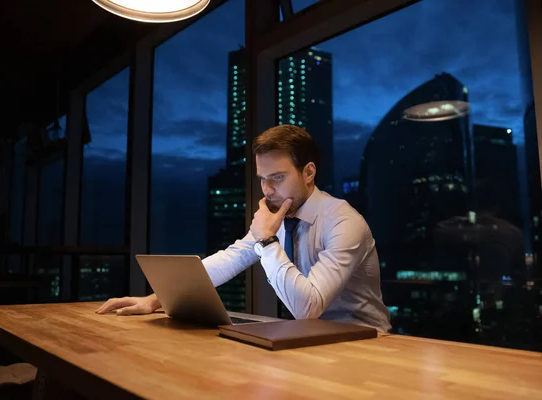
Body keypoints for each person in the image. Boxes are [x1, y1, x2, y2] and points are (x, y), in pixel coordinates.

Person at [96, 124, 391, 332]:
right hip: (313, 340)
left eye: (277, 177)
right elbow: (232, 258)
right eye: (262, 178)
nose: (267, 188)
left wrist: (266, 238)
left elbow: (307, 307)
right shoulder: (279, 215)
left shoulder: (343, 221)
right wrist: (154, 300)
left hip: (369, 344)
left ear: (309, 172)